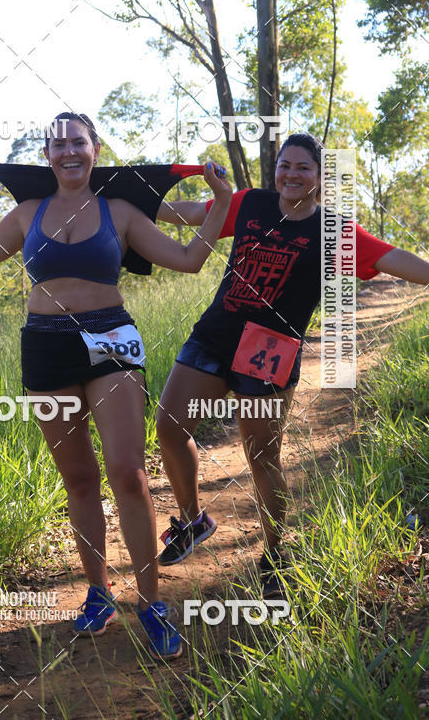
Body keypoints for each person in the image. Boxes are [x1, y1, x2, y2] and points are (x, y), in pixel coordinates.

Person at [0, 112, 232, 659]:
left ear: (95, 149)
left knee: (128, 472)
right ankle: (99, 592)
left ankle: (151, 603)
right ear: (47, 154)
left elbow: (190, 261)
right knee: (78, 477)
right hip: (45, 344)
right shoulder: (27, 213)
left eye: (79, 142)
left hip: (110, 338)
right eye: (58, 144)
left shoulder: (120, 212)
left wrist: (221, 203)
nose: (68, 151)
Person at [156, 132, 429, 596]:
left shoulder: (335, 232)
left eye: (303, 168)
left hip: (270, 349)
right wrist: (131, 200)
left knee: (262, 457)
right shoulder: (248, 203)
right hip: (216, 335)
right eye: (285, 165)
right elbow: (196, 213)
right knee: (169, 426)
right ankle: (192, 519)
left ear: (320, 179)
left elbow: (392, 257)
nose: (291, 174)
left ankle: (277, 554)